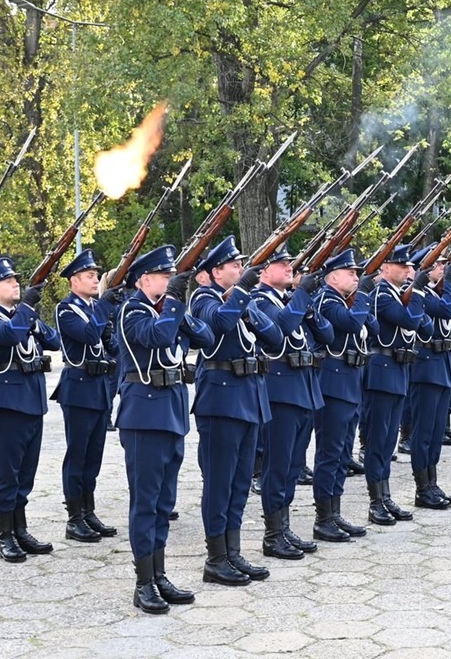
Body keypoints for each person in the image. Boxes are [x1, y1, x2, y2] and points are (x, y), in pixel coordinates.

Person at [115, 245, 213, 614]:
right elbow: (156, 338)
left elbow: (204, 338)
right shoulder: (132, 310)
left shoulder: (166, 310)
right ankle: (143, 583)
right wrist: (172, 303)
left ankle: (159, 573)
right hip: (144, 415)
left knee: (163, 503)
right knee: (145, 502)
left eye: (173, 277)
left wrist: (177, 308)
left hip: (171, 412)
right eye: (165, 276)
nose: (172, 282)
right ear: (144, 280)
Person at [189, 236, 283, 585]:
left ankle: (233, 551)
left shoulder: (239, 300)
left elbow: (275, 337)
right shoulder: (203, 299)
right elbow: (218, 328)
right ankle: (216, 558)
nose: (241, 270)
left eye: (241, 267)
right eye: (234, 267)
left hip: (248, 399)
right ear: (216, 272)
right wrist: (242, 294)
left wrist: (247, 304)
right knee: (219, 483)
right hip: (221, 400)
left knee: (241, 481)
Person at [0, 258, 61, 563]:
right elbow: (9, 336)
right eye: (8, 281)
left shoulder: (21, 316)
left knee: (26, 473)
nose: (16, 284)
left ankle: (20, 528)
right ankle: (5, 535)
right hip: (5, 404)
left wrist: (32, 316)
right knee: (7, 473)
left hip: (31, 402)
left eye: (16, 280)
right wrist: (25, 312)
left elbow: (54, 341)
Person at [252, 245, 333, 560]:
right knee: (278, 465)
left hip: (302, 390)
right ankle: (273, 534)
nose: (290, 267)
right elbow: (280, 330)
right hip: (280, 393)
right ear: (263, 272)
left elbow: (325, 335)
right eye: (281, 264)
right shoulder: (260, 301)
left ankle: (284, 528)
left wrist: (307, 304)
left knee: (292, 466)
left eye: (290, 263)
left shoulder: (289, 301)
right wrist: (301, 297)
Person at [52, 249, 117, 544]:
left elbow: (109, 344)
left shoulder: (94, 308)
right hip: (78, 387)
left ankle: (88, 510)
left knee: (94, 455)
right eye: (89, 276)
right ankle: (74, 517)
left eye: (95, 275)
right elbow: (89, 336)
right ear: (74, 280)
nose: (95, 280)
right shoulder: (66, 310)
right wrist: (103, 308)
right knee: (77, 454)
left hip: (100, 386)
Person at [361, 245, 427, 524]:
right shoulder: (381, 296)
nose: (410, 271)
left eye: (411, 267)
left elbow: (426, 327)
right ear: (385, 268)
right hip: (382, 370)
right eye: (403, 267)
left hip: (398, 370)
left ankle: (386, 495)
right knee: (378, 440)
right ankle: (375, 500)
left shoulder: (398, 295)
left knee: (388, 441)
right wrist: (420, 293)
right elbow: (410, 320)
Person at [313, 249, 374, 540]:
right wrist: (362, 294)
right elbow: (350, 323)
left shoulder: (344, 300)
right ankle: (323, 517)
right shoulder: (326, 300)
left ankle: (335, 512)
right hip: (333, 382)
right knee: (330, 452)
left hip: (350, 380)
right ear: (333, 276)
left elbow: (369, 326)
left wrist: (359, 298)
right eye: (351, 273)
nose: (357, 277)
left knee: (342, 452)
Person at [407, 245, 451, 509]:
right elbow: (448, 310)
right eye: (439, 266)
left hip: (442, 364)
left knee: (435, 430)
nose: (443, 269)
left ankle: (432, 482)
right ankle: (422, 488)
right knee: (424, 431)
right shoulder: (419, 295)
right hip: (426, 366)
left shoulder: (432, 292)